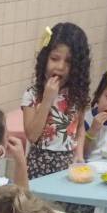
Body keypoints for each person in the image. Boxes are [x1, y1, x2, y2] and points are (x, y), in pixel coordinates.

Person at [22, 22, 90, 179]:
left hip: (67, 165)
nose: (60, 66)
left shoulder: (77, 94)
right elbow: (32, 135)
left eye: (69, 62)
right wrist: (47, 99)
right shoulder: (32, 95)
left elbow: (80, 128)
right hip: (38, 164)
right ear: (44, 59)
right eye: (54, 58)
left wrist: (79, 154)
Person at [84, 67, 107, 160]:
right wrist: (92, 131)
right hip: (90, 165)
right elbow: (82, 154)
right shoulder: (86, 120)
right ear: (98, 95)